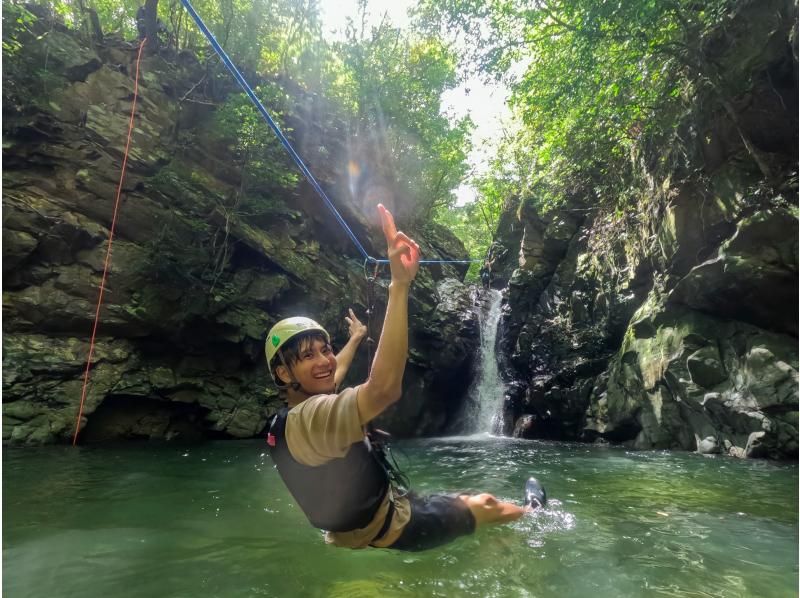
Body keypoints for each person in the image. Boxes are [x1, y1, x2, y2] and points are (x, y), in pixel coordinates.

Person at [265, 204, 546, 551]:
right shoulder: (314, 417)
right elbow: (383, 389)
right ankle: (533, 512)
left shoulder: (294, 416)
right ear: (282, 373)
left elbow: (332, 371)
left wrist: (354, 340)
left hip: (362, 525)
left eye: (325, 349)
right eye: (308, 356)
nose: (324, 360)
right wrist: (399, 285)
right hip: (396, 528)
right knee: (483, 503)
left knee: (455, 498)